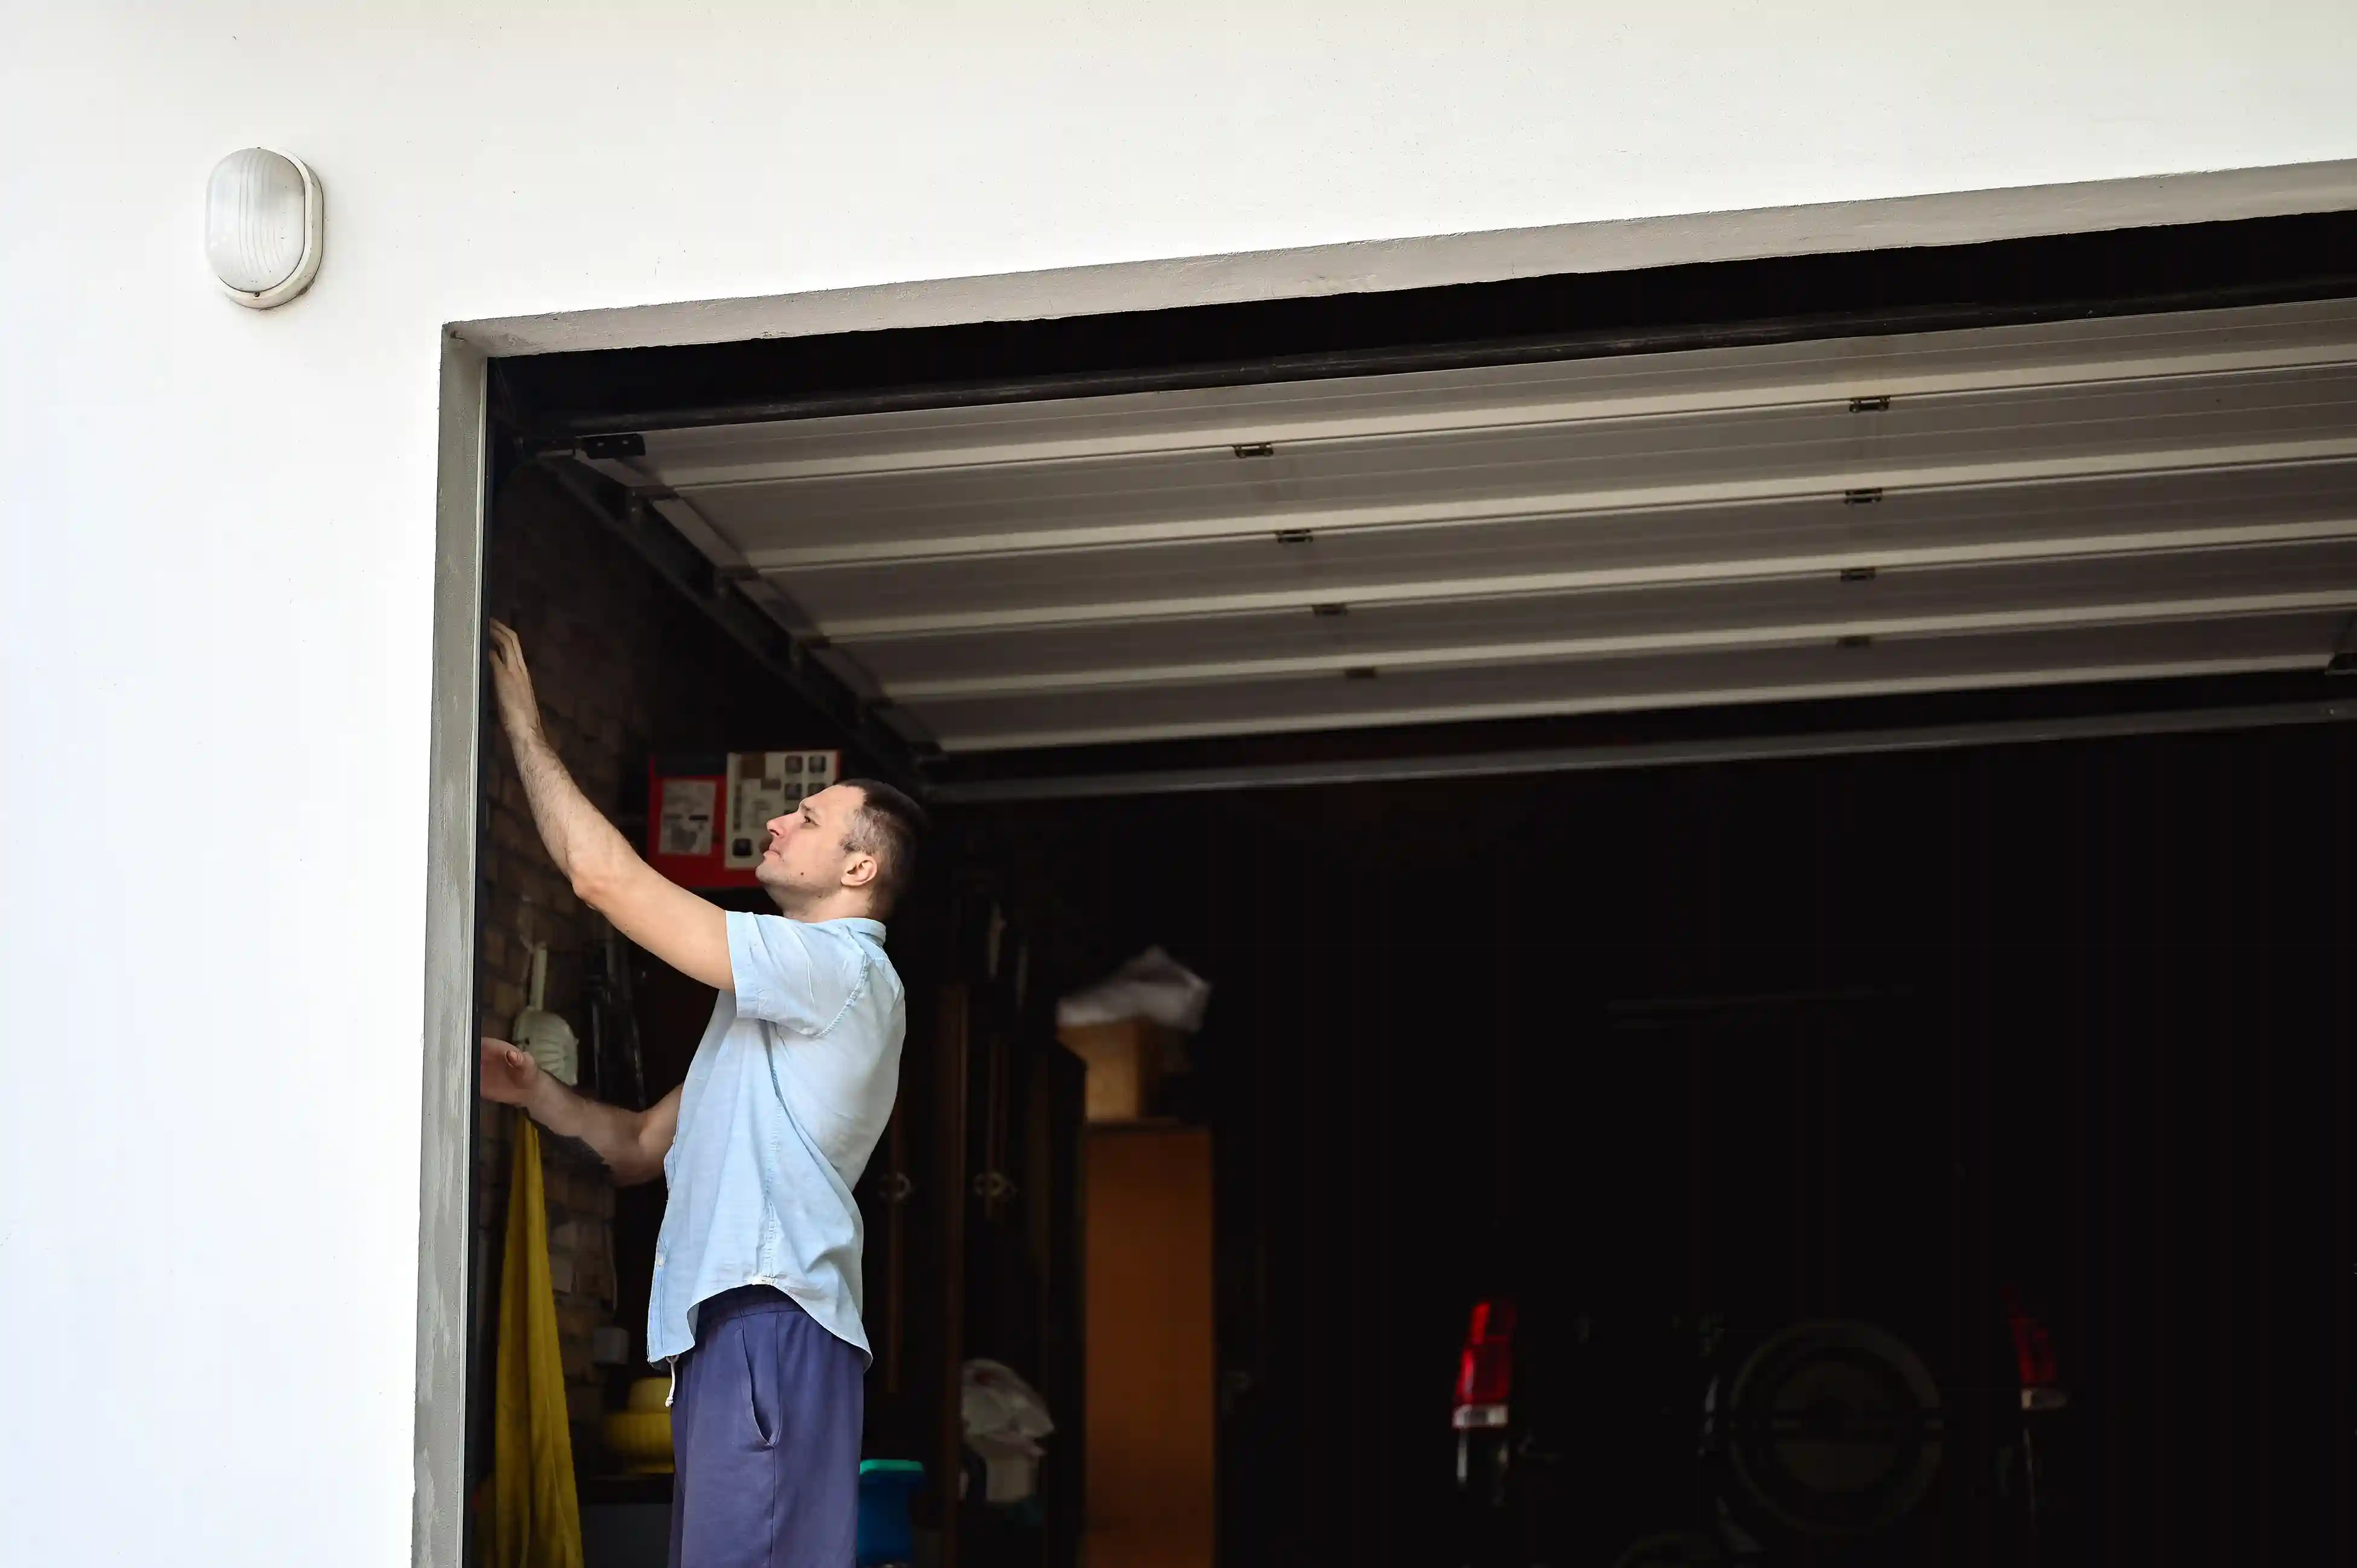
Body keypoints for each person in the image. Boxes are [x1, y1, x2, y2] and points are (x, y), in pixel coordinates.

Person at [476, 620, 924, 1568]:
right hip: (743, 1334)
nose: (777, 822)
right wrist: (537, 1095)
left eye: (806, 818)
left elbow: (603, 878)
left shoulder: (833, 968)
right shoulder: (771, 1006)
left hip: (767, 1323)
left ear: (859, 868)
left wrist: (521, 725)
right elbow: (642, 1144)